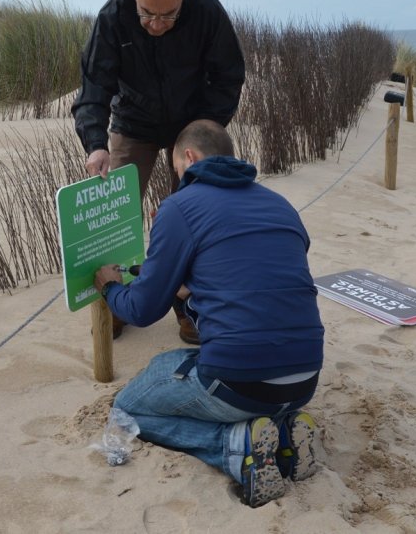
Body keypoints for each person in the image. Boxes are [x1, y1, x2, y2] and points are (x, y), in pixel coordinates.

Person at [93, 119, 324, 508]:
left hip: (240, 378)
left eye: (177, 170)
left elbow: (143, 309)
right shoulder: (281, 205)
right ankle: (285, 435)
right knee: (238, 376)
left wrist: (110, 287)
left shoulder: (180, 206)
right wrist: (194, 286)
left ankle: (232, 445)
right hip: (305, 379)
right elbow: (261, 279)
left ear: (189, 157)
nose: (178, 178)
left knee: (128, 407)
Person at [72, 0, 246, 343]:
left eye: (168, 17)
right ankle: (117, 301)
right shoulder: (113, 15)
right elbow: (94, 88)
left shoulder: (206, 11)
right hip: (134, 123)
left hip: (191, 122)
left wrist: (204, 127)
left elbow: (229, 75)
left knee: (197, 214)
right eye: (147, 14)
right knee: (115, 213)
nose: (155, 25)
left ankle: (189, 307)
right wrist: (96, 144)